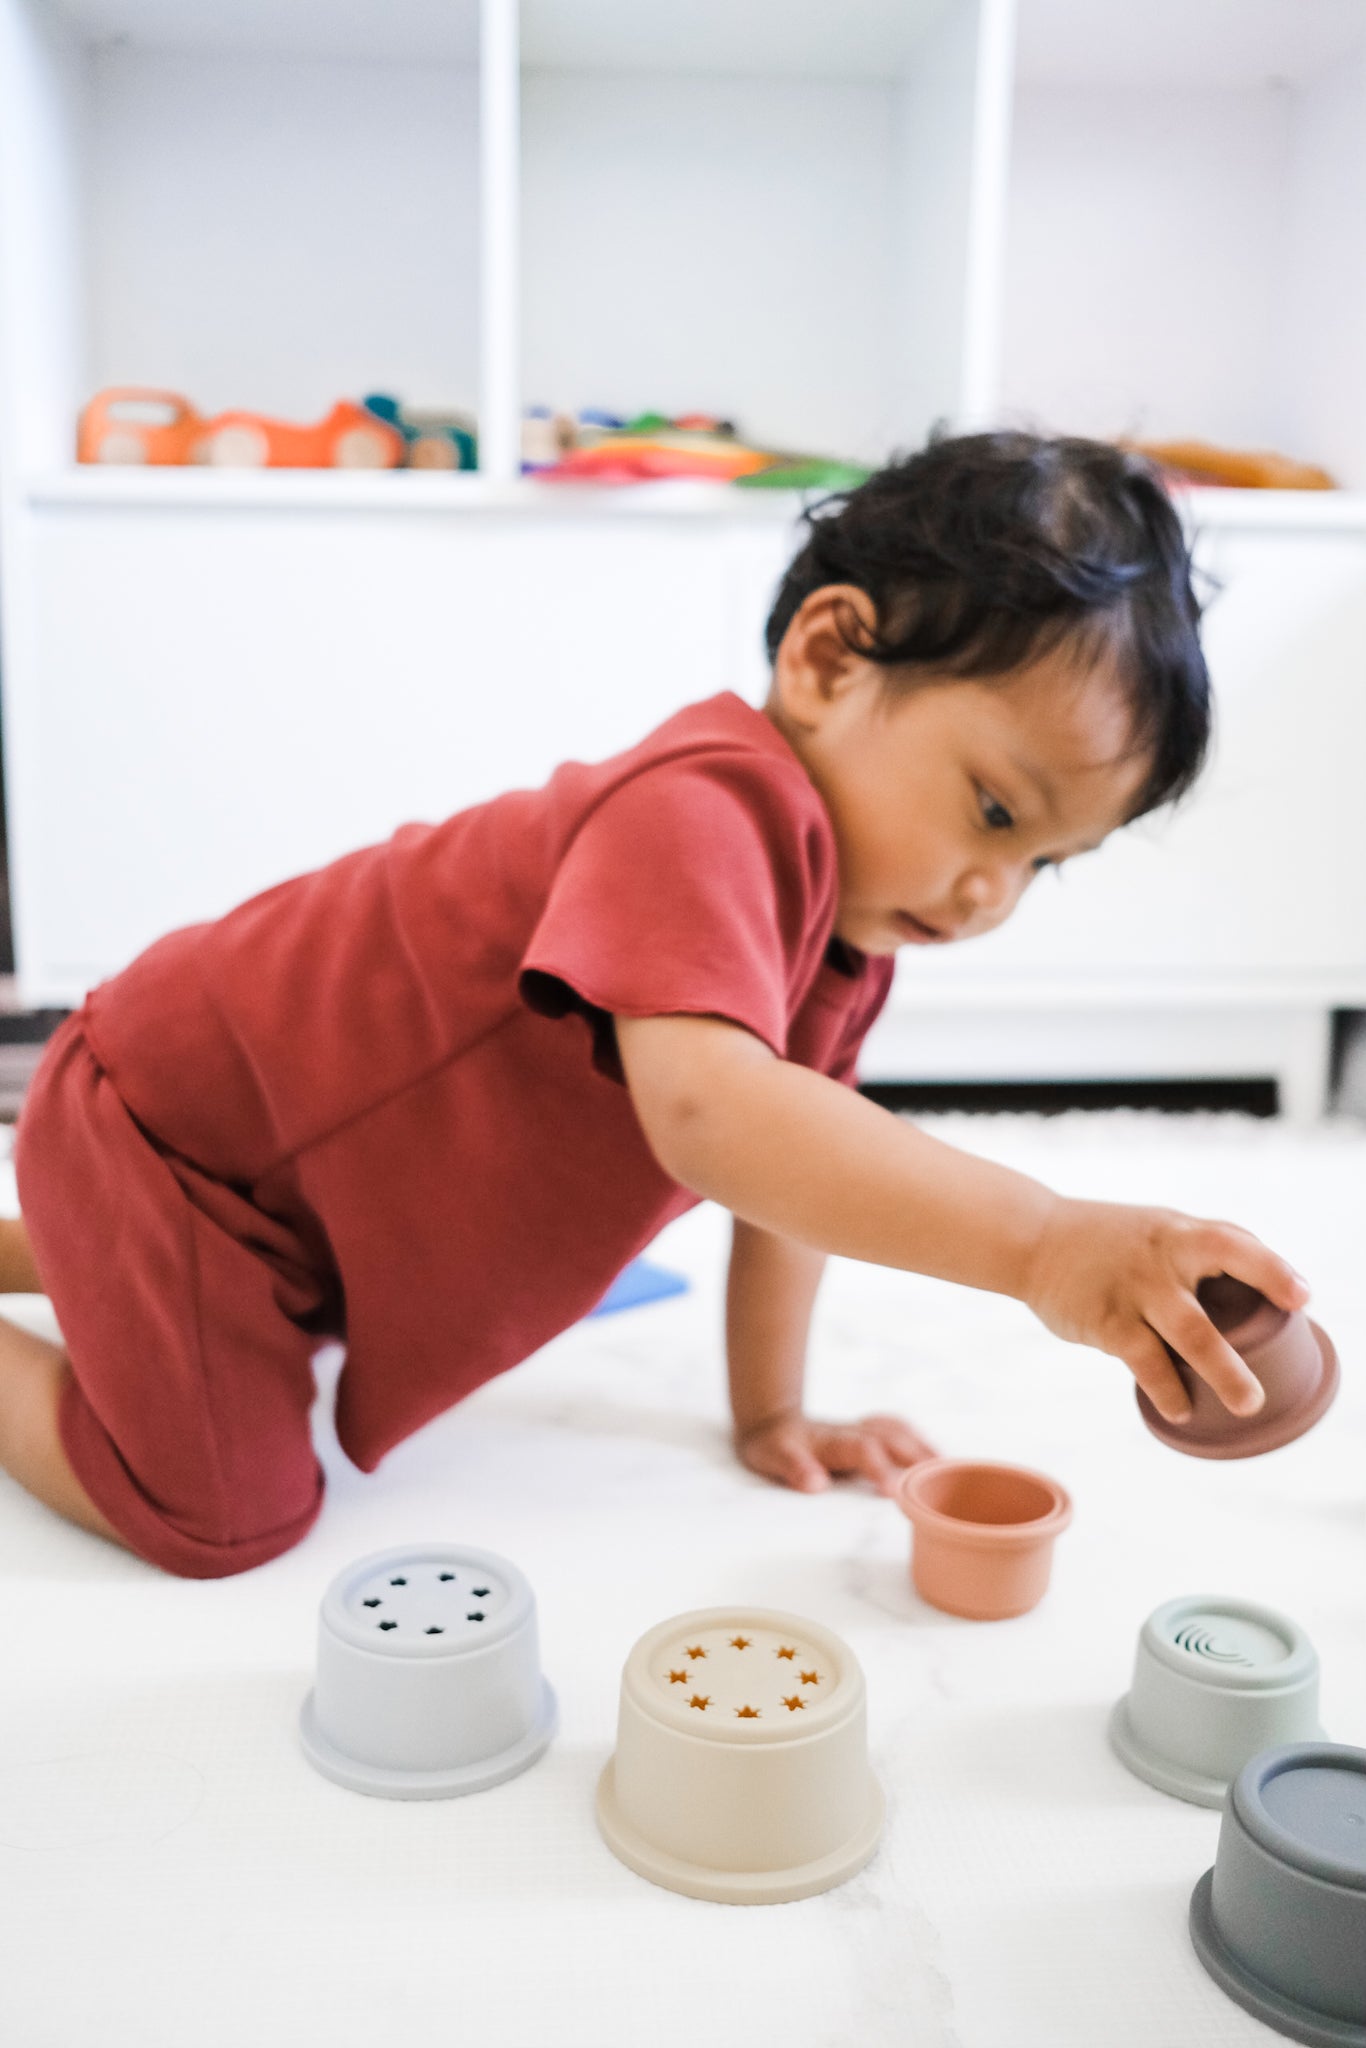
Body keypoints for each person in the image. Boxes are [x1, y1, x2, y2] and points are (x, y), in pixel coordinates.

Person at [0, 431, 1308, 1577]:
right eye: (991, 809)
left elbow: (788, 1180)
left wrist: (769, 1417)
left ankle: (69, 1255)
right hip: (172, 1133)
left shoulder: (845, 943)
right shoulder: (704, 805)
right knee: (222, 1511)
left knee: (223, 1320)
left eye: (1042, 860)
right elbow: (711, 1117)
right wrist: (1039, 1245)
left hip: (291, 1219)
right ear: (828, 658)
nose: (990, 891)